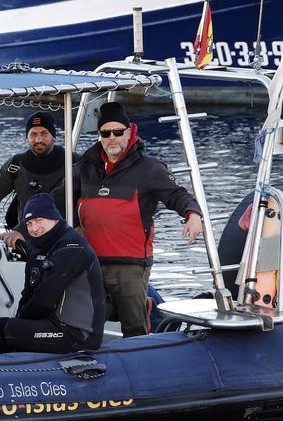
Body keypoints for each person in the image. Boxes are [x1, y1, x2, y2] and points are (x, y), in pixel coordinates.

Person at [62, 101, 204, 337]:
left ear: (129, 132)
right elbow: (57, 199)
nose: (112, 138)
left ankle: (144, 323)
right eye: (105, 133)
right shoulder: (85, 168)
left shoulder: (149, 168)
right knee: (83, 317)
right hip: (91, 262)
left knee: (134, 327)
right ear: (99, 135)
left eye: (118, 132)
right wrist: (22, 228)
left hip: (131, 265)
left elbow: (177, 195)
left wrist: (193, 214)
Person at [0, 194, 105, 356]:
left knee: (0, 330)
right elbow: (29, 293)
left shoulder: (71, 247)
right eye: (29, 223)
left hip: (77, 333)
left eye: (39, 221)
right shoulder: (38, 247)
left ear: (54, 218)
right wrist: (20, 319)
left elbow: (45, 298)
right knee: (4, 327)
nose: (34, 228)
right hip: (52, 323)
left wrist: (20, 322)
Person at [0, 111, 67, 249]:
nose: (38, 140)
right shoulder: (16, 164)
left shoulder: (72, 162)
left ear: (54, 136)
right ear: (27, 138)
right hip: (26, 240)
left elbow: (58, 201)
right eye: (33, 134)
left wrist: (21, 230)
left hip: (61, 240)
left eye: (44, 133)